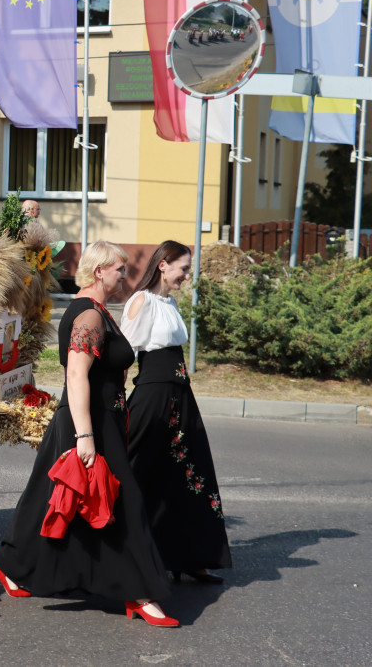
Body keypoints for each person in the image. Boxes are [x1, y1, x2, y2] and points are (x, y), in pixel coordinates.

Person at [0, 241, 178, 627]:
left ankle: (6, 563)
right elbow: (75, 375)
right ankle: (140, 593)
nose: (124, 277)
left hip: (96, 420)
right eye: (119, 270)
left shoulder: (99, 312)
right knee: (124, 501)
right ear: (99, 272)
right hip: (87, 422)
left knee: (50, 499)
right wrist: (86, 436)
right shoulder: (88, 316)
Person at [121, 241, 232, 583]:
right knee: (139, 473)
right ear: (163, 265)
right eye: (183, 268)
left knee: (187, 474)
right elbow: (124, 354)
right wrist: (115, 402)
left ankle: (187, 556)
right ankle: (118, 556)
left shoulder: (168, 301)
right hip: (154, 398)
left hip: (180, 396)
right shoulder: (142, 300)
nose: (187, 276)